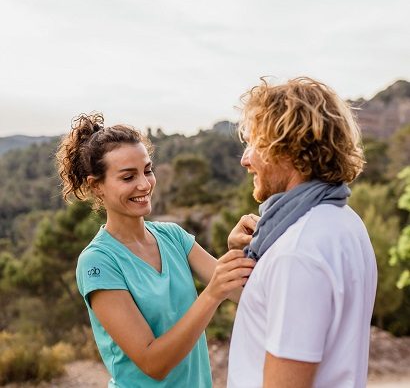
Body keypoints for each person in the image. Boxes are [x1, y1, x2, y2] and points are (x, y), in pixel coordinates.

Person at [56, 113, 256, 388]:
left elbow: (241, 292)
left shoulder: (173, 237)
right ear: (96, 185)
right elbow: (154, 363)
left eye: (147, 170)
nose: (144, 184)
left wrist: (236, 250)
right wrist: (211, 295)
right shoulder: (98, 262)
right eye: (128, 177)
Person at [227, 77, 377, 388]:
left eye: (254, 143)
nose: (245, 160)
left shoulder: (298, 251)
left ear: (287, 149)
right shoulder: (345, 220)